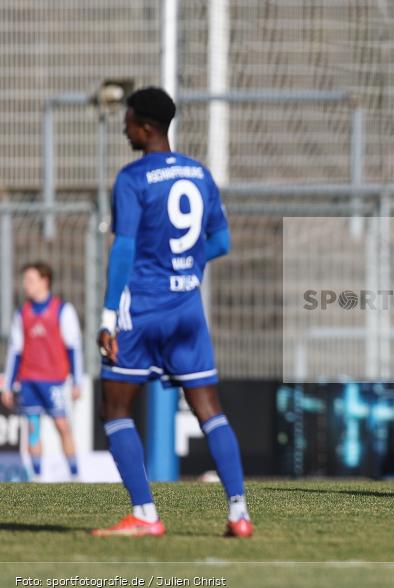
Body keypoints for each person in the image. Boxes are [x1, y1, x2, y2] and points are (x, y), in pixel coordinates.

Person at [92, 87, 251, 537]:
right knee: (210, 409)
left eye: (128, 120)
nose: (124, 127)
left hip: (141, 309)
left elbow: (123, 248)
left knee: (116, 410)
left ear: (144, 126)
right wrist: (186, 266)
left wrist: (107, 316)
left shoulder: (132, 178)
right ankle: (239, 513)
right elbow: (221, 242)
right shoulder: (199, 173)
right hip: (187, 309)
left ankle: (145, 515)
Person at [1, 262, 83, 481]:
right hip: (29, 380)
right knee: (33, 427)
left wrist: (76, 381)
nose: (26, 284)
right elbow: (15, 352)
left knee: (62, 425)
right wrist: (8, 385)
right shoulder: (23, 313)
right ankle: (37, 477)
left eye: (30, 280)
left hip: (55, 380)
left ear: (44, 281)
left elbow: (74, 347)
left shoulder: (62, 310)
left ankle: (75, 476)